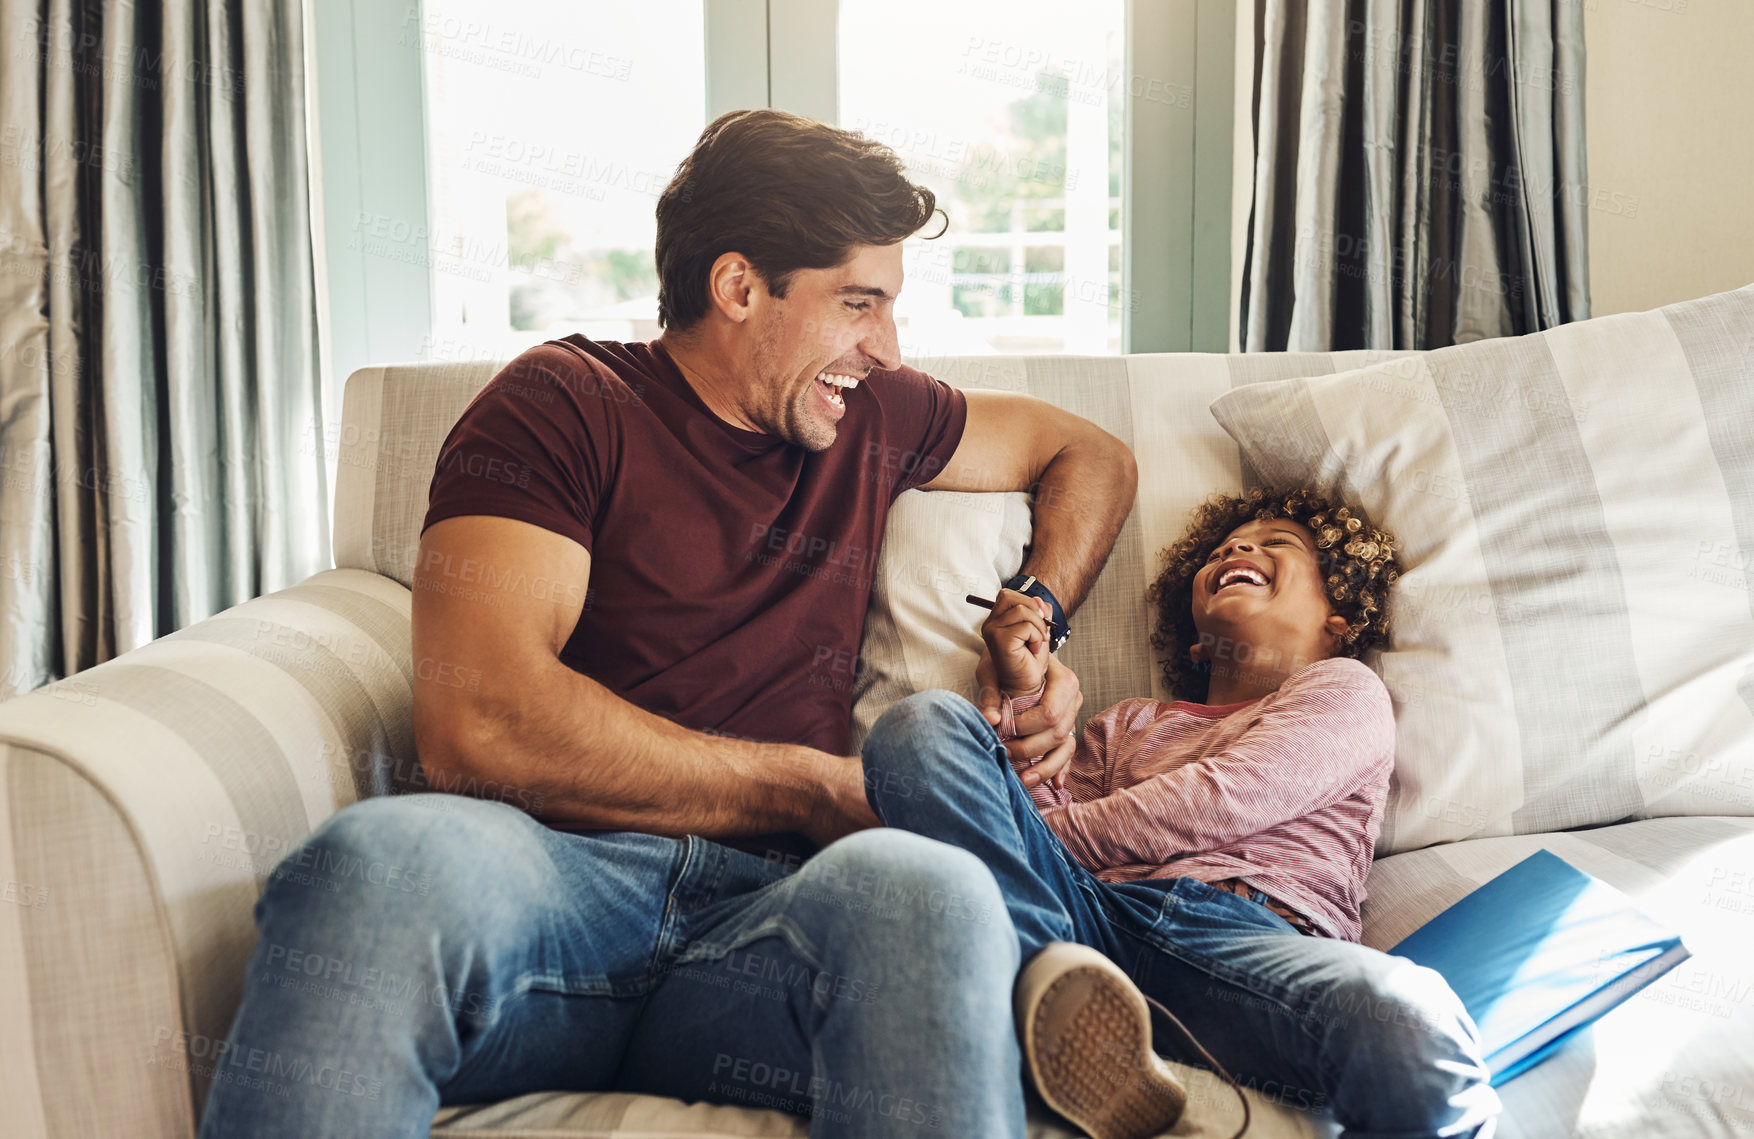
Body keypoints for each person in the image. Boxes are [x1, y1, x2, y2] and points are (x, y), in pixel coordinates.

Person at [196, 109, 1138, 1138]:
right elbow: (481, 723)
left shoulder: (869, 414)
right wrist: (805, 782)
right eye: (858, 303)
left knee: (929, 890)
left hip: (773, 931)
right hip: (558, 894)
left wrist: (1037, 616)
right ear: (738, 287)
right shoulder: (566, 402)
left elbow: (1088, 454)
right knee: (377, 862)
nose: (887, 345)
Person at [862, 487, 1505, 1139]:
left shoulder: (1345, 688)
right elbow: (1035, 811)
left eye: (1276, 542)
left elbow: (1223, 798)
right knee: (920, 724)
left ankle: (1029, 983)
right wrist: (1024, 685)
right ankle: (1056, 996)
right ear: (1197, 643)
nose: (1236, 547)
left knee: (1415, 1023)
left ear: (1338, 615)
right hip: (1083, 921)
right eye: (1224, 548)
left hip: (1246, 943)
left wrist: (1036, 842)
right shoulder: (1127, 723)